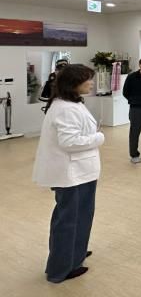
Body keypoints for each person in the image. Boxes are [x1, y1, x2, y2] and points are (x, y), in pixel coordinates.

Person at [32, 64, 104, 283]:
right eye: (87, 79)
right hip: (72, 174)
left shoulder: (70, 103)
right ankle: (61, 269)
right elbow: (69, 141)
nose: (91, 83)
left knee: (79, 216)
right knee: (69, 220)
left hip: (79, 172)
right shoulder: (65, 108)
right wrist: (98, 138)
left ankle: (75, 252)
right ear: (74, 84)